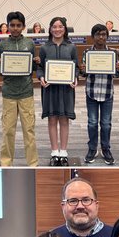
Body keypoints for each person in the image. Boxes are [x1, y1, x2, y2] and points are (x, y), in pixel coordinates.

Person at [0, 11, 39, 166]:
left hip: (26, 92)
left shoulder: (30, 44)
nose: (15, 28)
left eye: (18, 25)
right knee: (8, 131)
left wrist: (36, 62)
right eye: (12, 25)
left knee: (29, 130)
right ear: (8, 26)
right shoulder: (3, 45)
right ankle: (6, 163)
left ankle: (32, 163)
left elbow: (31, 68)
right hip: (9, 93)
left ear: (24, 27)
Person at [37, 17, 78, 166]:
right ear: (50, 29)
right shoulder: (44, 48)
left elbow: (76, 67)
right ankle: (54, 151)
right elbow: (40, 67)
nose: (57, 29)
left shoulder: (71, 47)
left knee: (64, 119)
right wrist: (41, 77)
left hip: (66, 89)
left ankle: (64, 152)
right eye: (54, 27)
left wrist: (75, 78)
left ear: (65, 29)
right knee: (52, 119)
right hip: (50, 89)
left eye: (60, 26)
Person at [80, 24, 119, 165]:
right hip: (91, 92)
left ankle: (105, 148)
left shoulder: (112, 53)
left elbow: (116, 74)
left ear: (107, 36)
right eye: (98, 34)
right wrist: (83, 69)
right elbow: (83, 73)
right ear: (93, 37)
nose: (101, 37)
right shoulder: (87, 52)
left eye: (104, 34)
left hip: (107, 92)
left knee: (106, 124)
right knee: (92, 123)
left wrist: (118, 69)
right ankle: (92, 149)